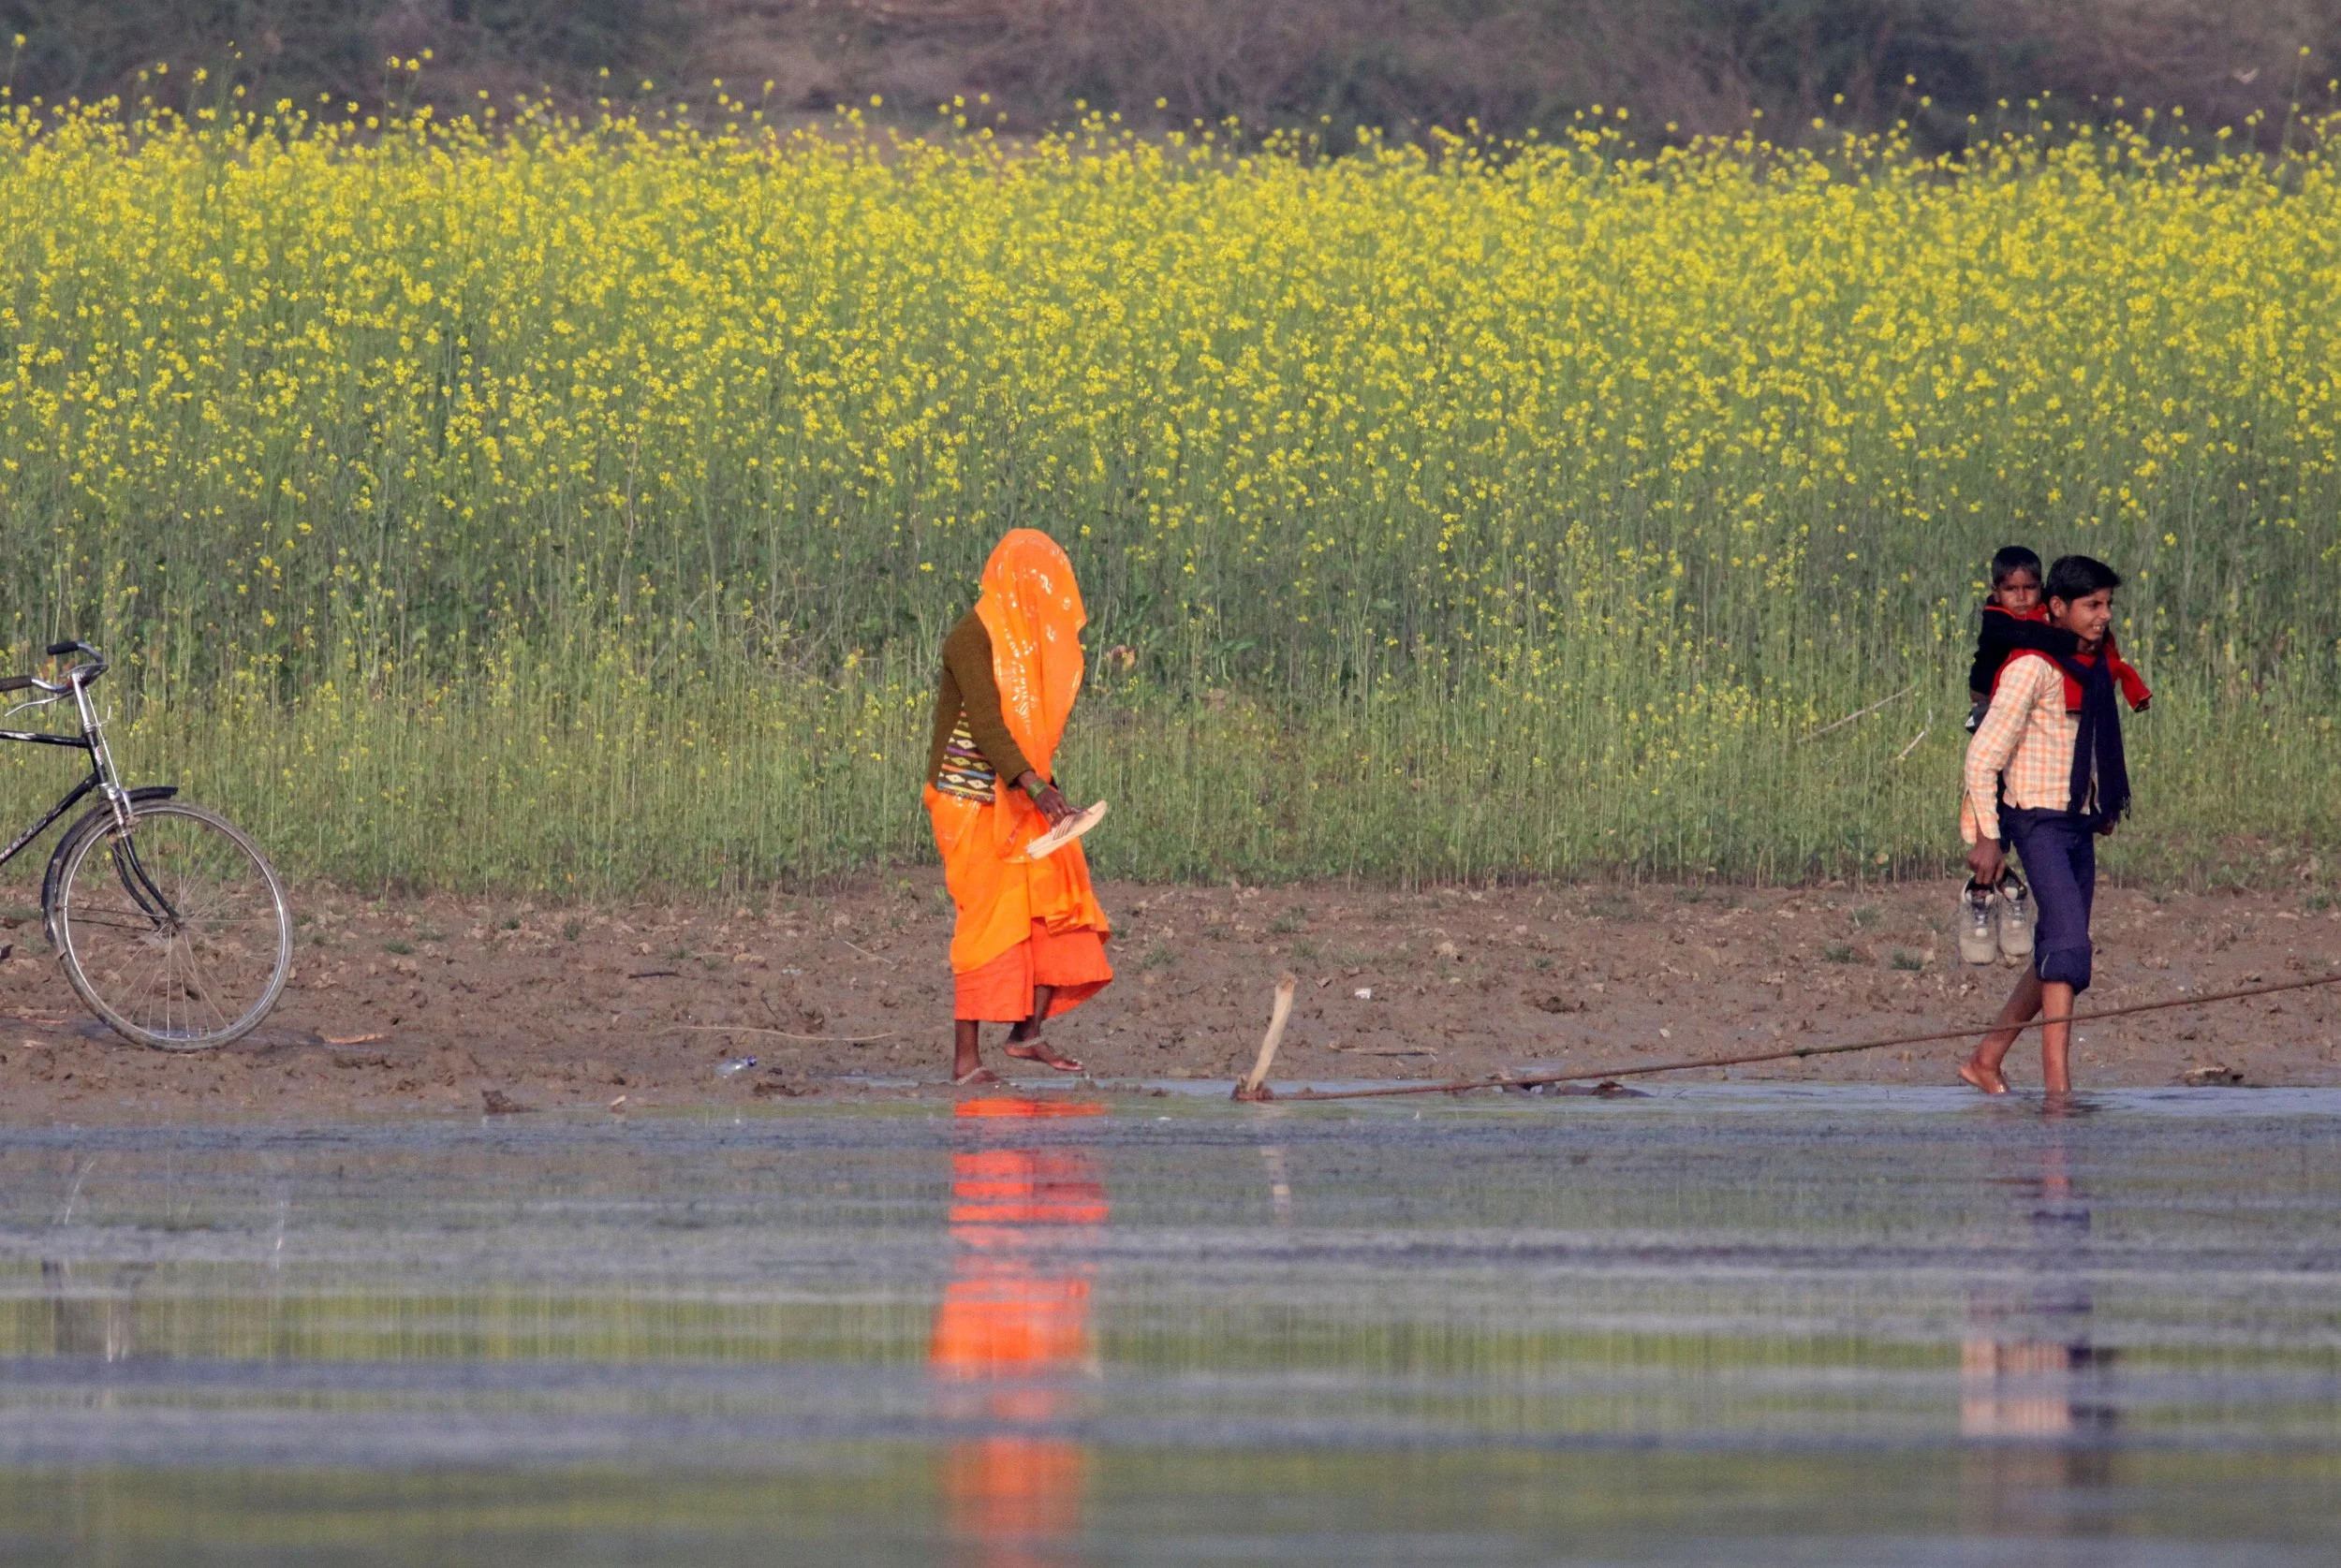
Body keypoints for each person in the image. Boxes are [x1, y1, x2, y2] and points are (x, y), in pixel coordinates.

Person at [924, 529, 1112, 1086]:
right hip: (968, 798)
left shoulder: (1019, 647)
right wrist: (1038, 789)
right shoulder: (971, 637)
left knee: (1060, 890)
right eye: (1036, 587)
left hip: (1014, 791)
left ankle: (1026, 1034)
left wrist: (1047, 792)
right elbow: (986, 725)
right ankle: (965, 1063)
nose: (1043, 602)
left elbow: (1024, 733)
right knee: (987, 920)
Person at [1957, 554, 2133, 1095]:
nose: (2102, 616)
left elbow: (2090, 745)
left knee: (2059, 947)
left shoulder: (2095, 666)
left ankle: (1986, 1058)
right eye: (2091, 605)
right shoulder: (2031, 667)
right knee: (2069, 947)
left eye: (2107, 605)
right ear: (2057, 608)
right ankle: (2059, 1092)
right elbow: (1982, 758)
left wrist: (2099, 806)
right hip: (2036, 822)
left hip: (2077, 823)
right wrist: (1987, 838)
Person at [1967, 546, 2150, 734]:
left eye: (2030, 587)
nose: (2021, 597)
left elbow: (2079, 613)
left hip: (2024, 696)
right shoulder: (1996, 619)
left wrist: (2096, 632)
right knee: (1994, 741)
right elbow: (2031, 634)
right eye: (2011, 589)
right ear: (1996, 592)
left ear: (2041, 586)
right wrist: (2074, 643)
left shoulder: (2047, 602)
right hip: (1986, 695)